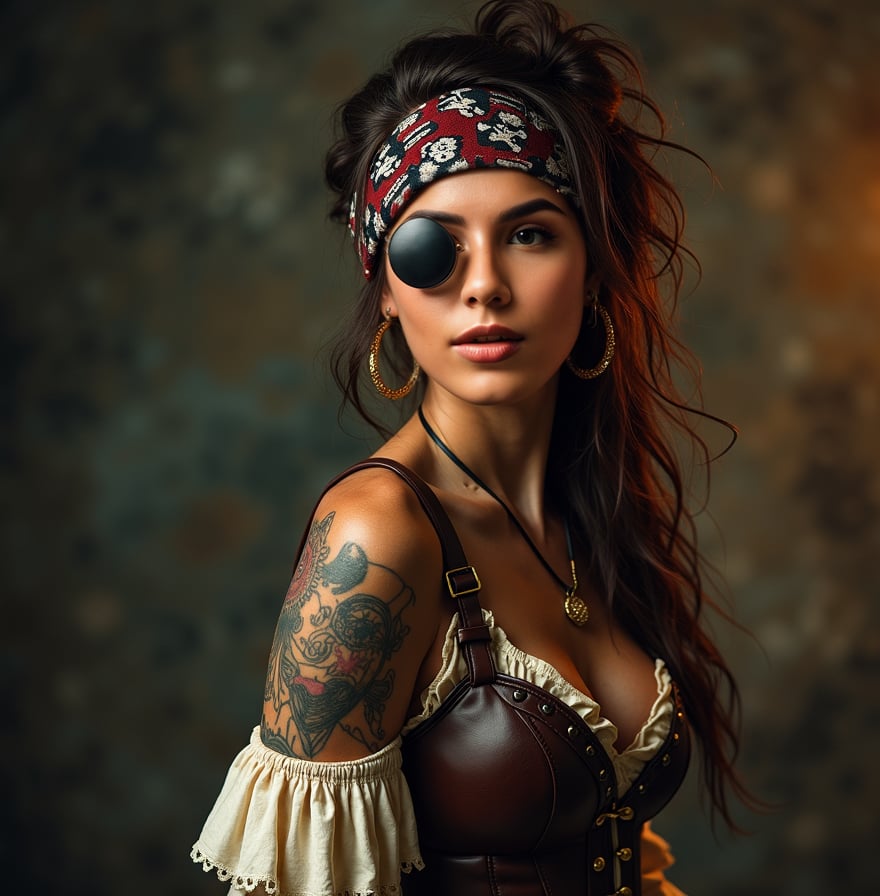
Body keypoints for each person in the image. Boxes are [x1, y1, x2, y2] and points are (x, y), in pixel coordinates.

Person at [191, 1, 753, 893]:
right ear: (384, 289)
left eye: (529, 234)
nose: (484, 285)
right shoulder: (377, 535)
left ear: (594, 268)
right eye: (431, 248)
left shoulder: (586, 509)